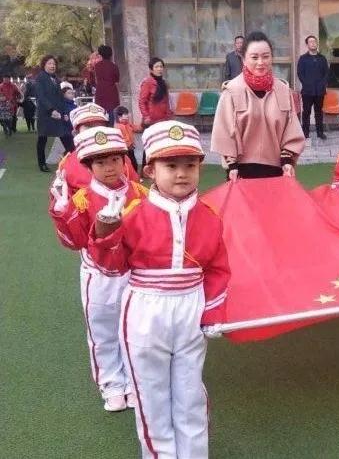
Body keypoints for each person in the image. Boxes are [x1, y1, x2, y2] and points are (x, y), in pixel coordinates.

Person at [89, 120, 231, 458]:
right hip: (145, 310)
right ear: (150, 169)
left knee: (190, 394)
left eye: (190, 165)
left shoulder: (210, 215)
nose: (181, 174)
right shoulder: (132, 214)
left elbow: (218, 268)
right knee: (150, 397)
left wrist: (213, 312)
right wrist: (106, 232)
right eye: (171, 165)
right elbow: (111, 267)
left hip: (190, 308)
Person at [49, 126, 147, 412]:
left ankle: (133, 383)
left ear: (125, 160)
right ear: (89, 166)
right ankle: (111, 384)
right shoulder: (82, 199)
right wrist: (62, 211)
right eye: (101, 162)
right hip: (100, 277)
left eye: (115, 159)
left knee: (134, 332)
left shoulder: (141, 194)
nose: (110, 167)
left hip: (135, 275)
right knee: (102, 333)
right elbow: (74, 242)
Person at [211, 31, 305, 180]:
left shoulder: (283, 90)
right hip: (240, 173)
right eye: (254, 57)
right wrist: (232, 165)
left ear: (271, 58)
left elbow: (291, 130)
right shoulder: (231, 91)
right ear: (243, 59)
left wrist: (287, 161)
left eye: (265, 56)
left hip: (277, 171)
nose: (260, 62)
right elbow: (224, 131)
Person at [58, 103, 139, 195]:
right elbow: (61, 198)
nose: (96, 130)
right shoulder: (67, 164)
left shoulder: (122, 158)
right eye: (88, 126)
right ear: (76, 133)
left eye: (100, 126)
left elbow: (135, 187)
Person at [34, 55, 75, 172]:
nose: (52, 66)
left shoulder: (56, 79)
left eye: (54, 64)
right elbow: (41, 97)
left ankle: (73, 160)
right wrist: (51, 110)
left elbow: (60, 98)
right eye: (49, 63)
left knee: (66, 136)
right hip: (45, 114)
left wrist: (65, 113)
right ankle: (42, 163)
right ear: (44, 65)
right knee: (42, 138)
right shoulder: (40, 78)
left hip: (58, 114)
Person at [139, 57, 173, 171]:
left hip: (164, 119)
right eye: (157, 67)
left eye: (161, 66)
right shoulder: (147, 82)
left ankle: (162, 167)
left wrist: (169, 116)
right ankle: (146, 169)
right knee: (150, 144)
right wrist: (146, 116)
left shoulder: (164, 83)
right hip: (151, 120)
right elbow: (142, 101)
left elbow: (166, 101)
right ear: (151, 69)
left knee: (163, 143)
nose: (159, 69)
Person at [297, 35, 329, 140]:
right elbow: (300, 73)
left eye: (314, 41)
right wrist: (307, 84)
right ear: (307, 45)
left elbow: (326, 73)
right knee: (306, 112)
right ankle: (305, 133)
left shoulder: (322, 58)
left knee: (319, 112)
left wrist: (322, 84)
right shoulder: (303, 59)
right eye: (311, 42)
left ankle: (320, 133)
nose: (313, 43)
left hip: (320, 91)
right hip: (307, 91)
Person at [93, 45, 120, 125]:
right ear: (111, 54)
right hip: (111, 92)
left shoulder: (97, 66)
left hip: (100, 92)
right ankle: (110, 128)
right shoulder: (114, 66)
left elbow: (95, 79)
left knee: (101, 112)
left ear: (101, 54)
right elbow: (117, 79)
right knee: (111, 113)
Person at [113, 105, 142, 173]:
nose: (128, 115)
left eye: (127, 114)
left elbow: (137, 129)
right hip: (124, 150)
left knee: (134, 163)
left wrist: (143, 124)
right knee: (128, 164)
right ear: (119, 116)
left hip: (130, 149)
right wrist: (127, 145)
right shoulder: (117, 127)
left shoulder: (128, 124)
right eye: (125, 114)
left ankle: (135, 175)